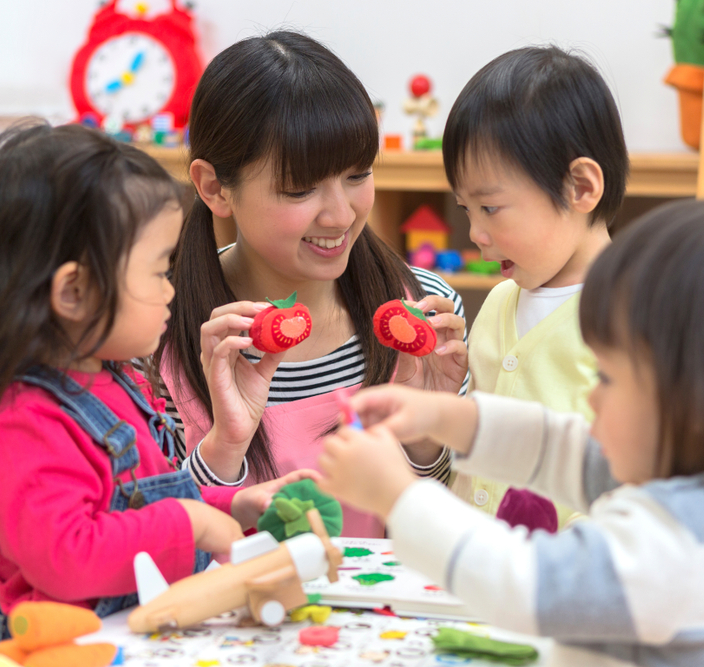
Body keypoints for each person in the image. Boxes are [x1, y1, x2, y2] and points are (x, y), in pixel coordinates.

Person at [319, 199, 704, 665]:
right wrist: (439, 417)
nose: (593, 396)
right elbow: (558, 446)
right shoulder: (702, 492)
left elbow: (523, 587)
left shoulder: (677, 544)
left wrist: (398, 496)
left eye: (609, 377)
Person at [0, 122, 312, 666]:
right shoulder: (24, 420)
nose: (170, 289)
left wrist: (234, 502)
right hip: (53, 654)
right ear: (74, 291)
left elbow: (140, 503)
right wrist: (191, 524)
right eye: (159, 271)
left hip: (128, 637)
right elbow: (66, 557)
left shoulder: (119, 379)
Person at [154, 31, 469, 538]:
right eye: (300, 189)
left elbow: (443, 518)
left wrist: (426, 435)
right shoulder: (157, 331)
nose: (341, 215)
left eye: (357, 174)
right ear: (214, 188)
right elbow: (150, 528)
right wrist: (227, 445)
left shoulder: (425, 310)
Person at [441, 45, 629, 531]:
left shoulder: (633, 313)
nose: (475, 234)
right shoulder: (501, 300)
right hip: (471, 572)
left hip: (565, 585)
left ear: (581, 188)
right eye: (465, 210)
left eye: (491, 208)